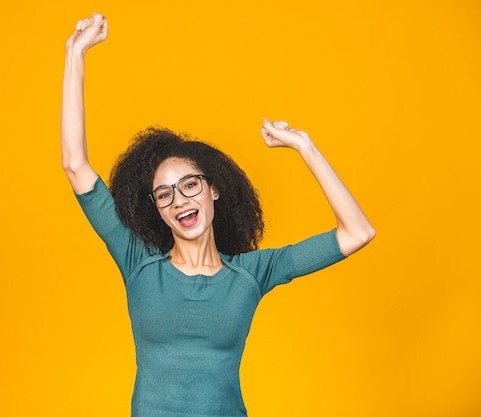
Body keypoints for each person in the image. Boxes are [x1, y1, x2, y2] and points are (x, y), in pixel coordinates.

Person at [61, 12, 375, 417]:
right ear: (156, 209)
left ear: (214, 189)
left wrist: (305, 147)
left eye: (190, 185)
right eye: (164, 194)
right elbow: (75, 165)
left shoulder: (253, 272)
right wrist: (75, 54)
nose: (179, 200)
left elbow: (357, 232)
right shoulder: (137, 261)